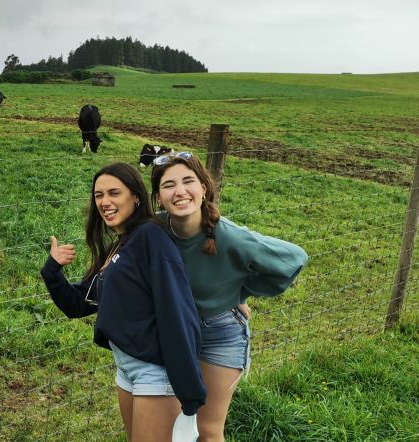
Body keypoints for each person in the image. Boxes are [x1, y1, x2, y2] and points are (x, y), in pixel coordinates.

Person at [41, 162, 206, 441]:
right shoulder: (120, 246)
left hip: (156, 373)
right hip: (127, 368)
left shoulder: (151, 238)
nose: (105, 202)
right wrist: (51, 271)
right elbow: (79, 304)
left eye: (114, 193)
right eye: (98, 195)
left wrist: (189, 393)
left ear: (136, 197)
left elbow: (177, 312)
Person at [150, 151, 308, 441]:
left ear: (204, 188)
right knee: (172, 427)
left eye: (188, 181)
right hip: (173, 332)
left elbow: (294, 258)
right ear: (159, 197)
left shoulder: (229, 235)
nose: (180, 191)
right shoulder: (154, 232)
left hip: (219, 334)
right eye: (169, 185)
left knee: (207, 431)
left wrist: (239, 290)